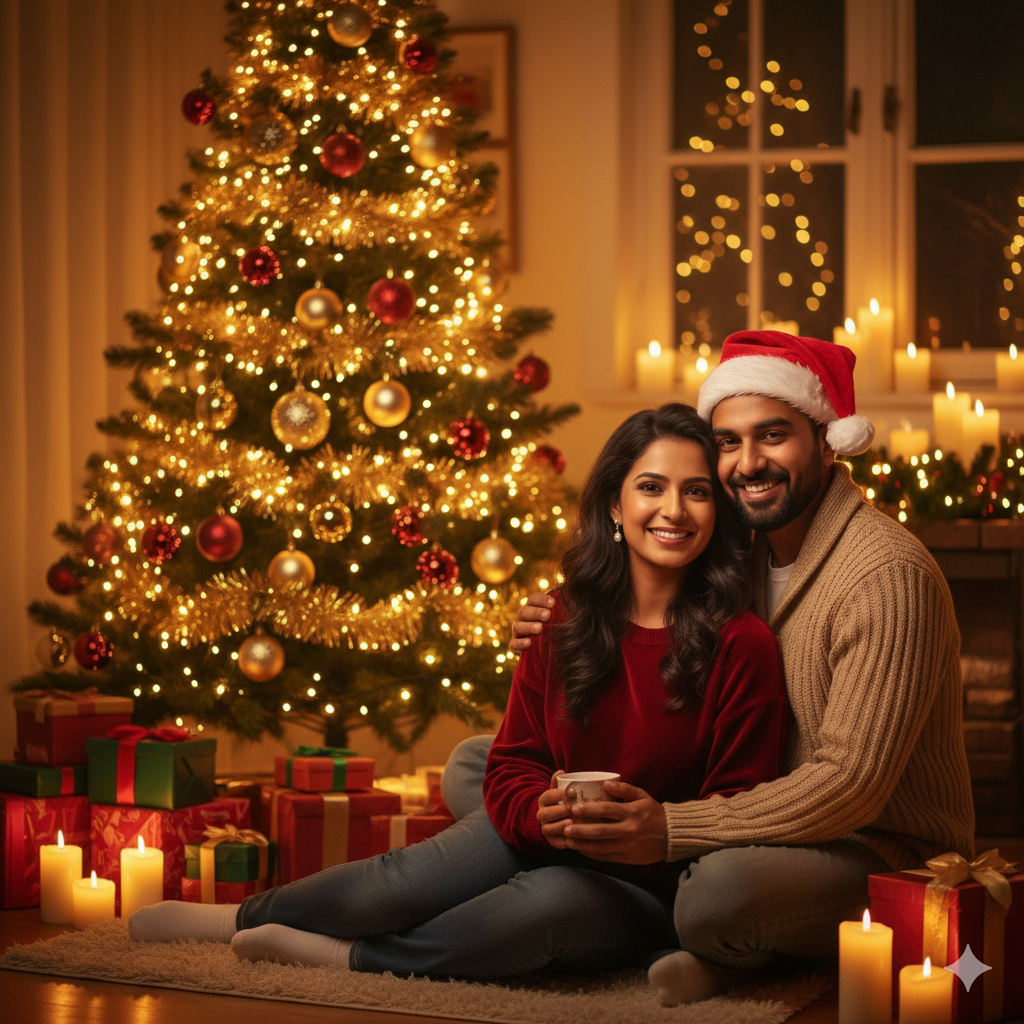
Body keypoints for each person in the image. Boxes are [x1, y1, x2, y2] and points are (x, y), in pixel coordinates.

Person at [130, 403, 789, 981]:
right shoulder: (561, 618)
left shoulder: (743, 643)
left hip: (652, 889)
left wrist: (656, 834)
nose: (673, 510)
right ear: (616, 505)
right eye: (652, 487)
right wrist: (538, 815)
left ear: (716, 511)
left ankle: (353, 959)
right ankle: (237, 918)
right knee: (406, 879)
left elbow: (741, 810)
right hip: (546, 835)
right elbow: (512, 763)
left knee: (540, 910)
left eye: (697, 491)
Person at [501, 330, 974, 1005]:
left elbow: (851, 786)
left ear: (825, 437)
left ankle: (683, 930)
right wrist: (568, 615)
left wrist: (669, 830)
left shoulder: (885, 576)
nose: (748, 463)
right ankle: (692, 933)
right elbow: (649, 634)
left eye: (773, 435)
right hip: (749, 812)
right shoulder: (741, 555)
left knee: (718, 897)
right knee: (477, 767)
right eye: (728, 441)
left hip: (873, 848)